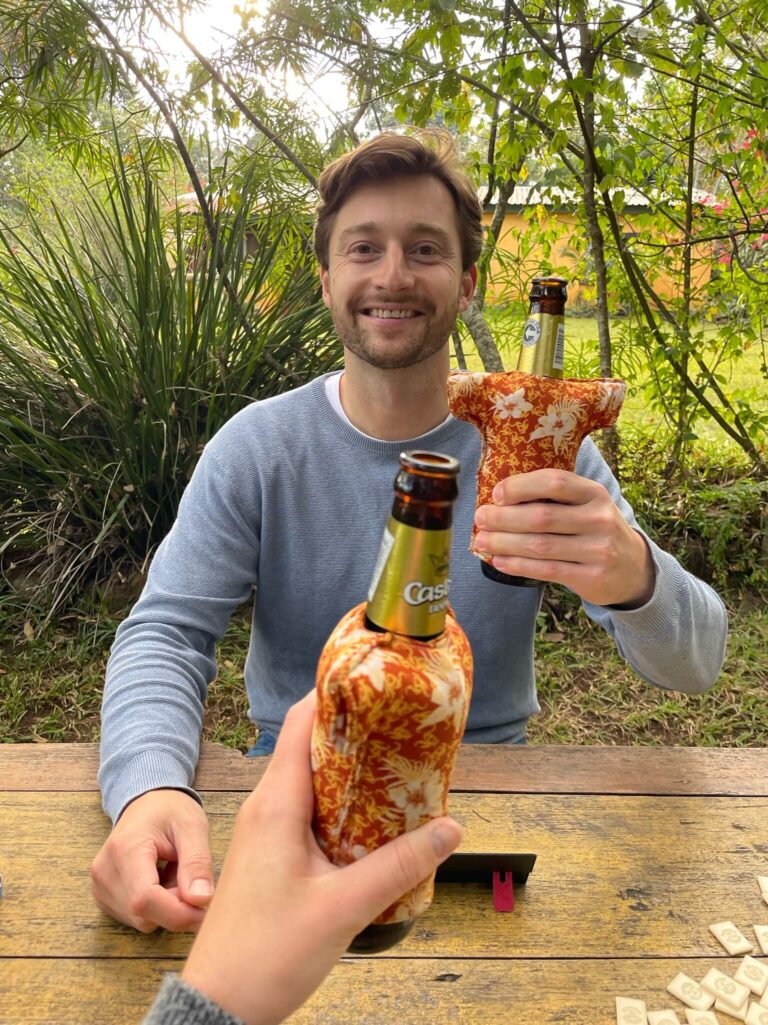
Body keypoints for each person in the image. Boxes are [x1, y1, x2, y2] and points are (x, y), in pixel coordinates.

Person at [92, 129, 728, 935]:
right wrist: (149, 789)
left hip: (487, 808)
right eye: (365, 248)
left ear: (466, 285)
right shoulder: (259, 448)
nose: (392, 274)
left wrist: (637, 576)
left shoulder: (544, 449)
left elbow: (700, 664)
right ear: (327, 281)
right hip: (293, 807)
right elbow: (164, 634)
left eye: (423, 249)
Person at [141, 691, 463, 1025]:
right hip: (297, 744)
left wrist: (212, 1000)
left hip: (485, 746)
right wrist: (150, 781)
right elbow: (171, 637)